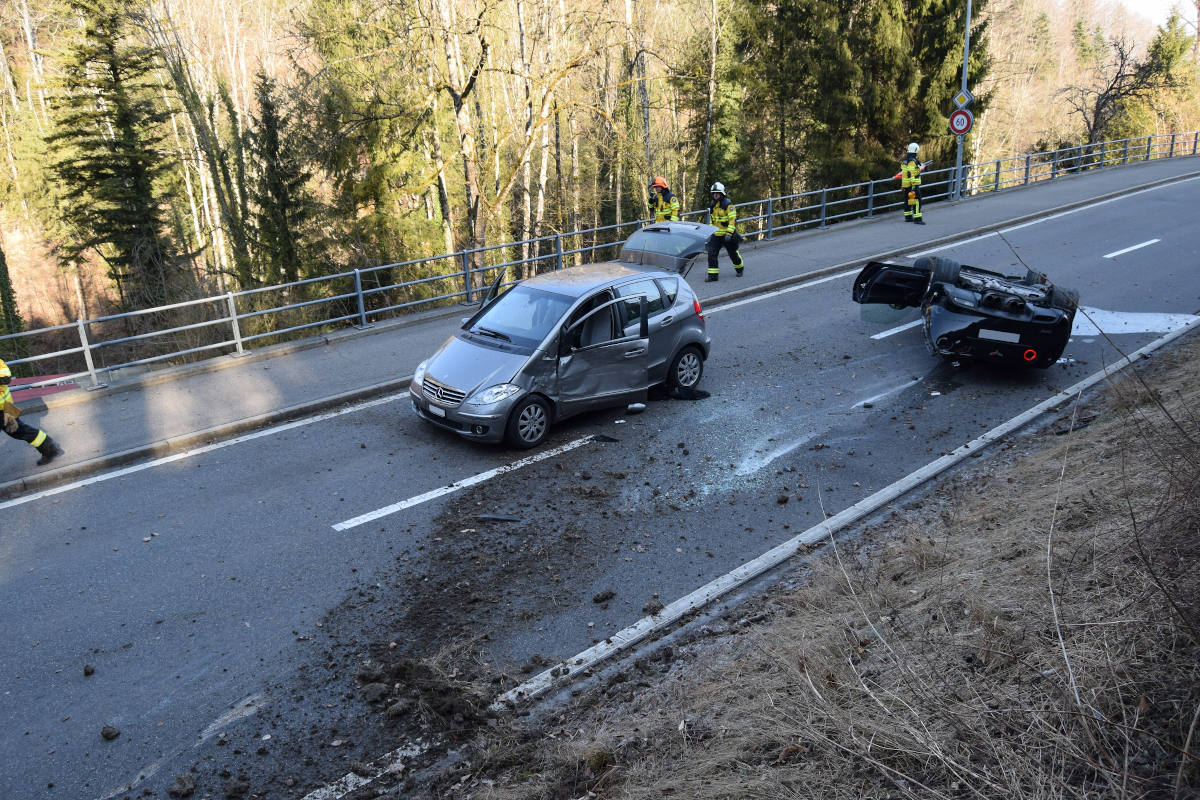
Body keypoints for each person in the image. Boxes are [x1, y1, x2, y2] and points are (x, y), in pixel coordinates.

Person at [1, 357, 62, 466]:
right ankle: (49, 449)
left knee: (19, 431)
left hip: (4, 408)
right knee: (19, 431)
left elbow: (6, 378)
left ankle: (49, 449)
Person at [705, 182, 744, 282]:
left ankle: (740, 269)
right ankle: (713, 276)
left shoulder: (728, 205)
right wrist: (710, 231)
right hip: (716, 235)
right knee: (711, 254)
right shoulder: (713, 205)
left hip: (727, 235)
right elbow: (712, 220)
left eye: (717, 193)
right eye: (714, 193)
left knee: (733, 254)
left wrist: (729, 234)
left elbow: (732, 221)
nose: (715, 195)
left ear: (722, 193)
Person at [900, 142, 926, 224]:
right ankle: (918, 219)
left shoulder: (905, 161)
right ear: (915, 150)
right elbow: (910, 173)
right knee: (916, 202)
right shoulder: (913, 161)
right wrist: (914, 186)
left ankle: (908, 217)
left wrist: (903, 185)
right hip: (913, 185)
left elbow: (904, 174)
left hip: (906, 186)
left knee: (908, 201)